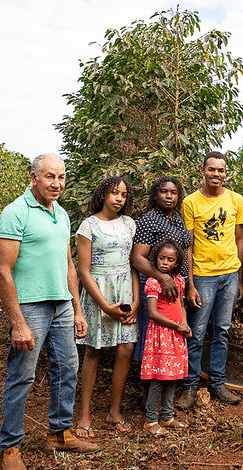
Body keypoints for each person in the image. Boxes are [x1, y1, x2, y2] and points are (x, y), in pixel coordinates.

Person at [0, 154, 98, 470]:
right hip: (30, 306)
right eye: (50, 176)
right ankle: (10, 447)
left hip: (62, 304)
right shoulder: (16, 213)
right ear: (34, 177)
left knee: (68, 367)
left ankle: (60, 432)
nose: (57, 183)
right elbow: (3, 271)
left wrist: (78, 309)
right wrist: (18, 322)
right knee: (22, 375)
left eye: (62, 177)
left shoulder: (62, 214)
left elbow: (69, 265)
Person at [177, 151, 243, 408]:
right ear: (203, 171)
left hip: (229, 274)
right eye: (211, 169)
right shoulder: (190, 202)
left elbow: (239, 240)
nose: (216, 174)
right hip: (203, 276)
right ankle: (190, 386)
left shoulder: (235, 200)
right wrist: (191, 284)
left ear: (225, 173)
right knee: (196, 333)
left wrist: (239, 279)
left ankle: (218, 383)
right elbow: (188, 246)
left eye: (220, 170)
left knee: (222, 331)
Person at [76, 177, 139, 436]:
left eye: (123, 195)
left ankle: (114, 412)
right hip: (98, 292)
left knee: (125, 349)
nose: (119, 199)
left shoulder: (130, 224)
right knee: (93, 351)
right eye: (114, 193)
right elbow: (83, 271)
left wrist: (135, 301)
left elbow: (133, 264)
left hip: (124, 290)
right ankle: (84, 415)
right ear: (103, 195)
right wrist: (104, 305)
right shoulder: (88, 226)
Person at [130, 176, 192, 363]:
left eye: (173, 192)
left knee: (171, 337)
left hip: (176, 288)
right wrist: (163, 278)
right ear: (155, 195)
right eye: (164, 191)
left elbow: (185, 253)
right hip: (155, 287)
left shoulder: (178, 219)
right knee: (152, 338)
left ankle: (167, 382)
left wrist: (189, 286)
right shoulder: (149, 220)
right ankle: (148, 388)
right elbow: (137, 257)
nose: (169, 196)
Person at [142, 239, 191, 435]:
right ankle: (151, 420)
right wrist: (176, 325)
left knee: (173, 376)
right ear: (155, 259)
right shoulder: (153, 282)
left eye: (170, 259)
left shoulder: (179, 280)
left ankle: (167, 416)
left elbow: (180, 305)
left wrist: (185, 324)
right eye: (161, 258)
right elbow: (153, 313)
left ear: (177, 263)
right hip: (161, 335)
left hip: (176, 334)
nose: (165, 262)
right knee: (158, 377)